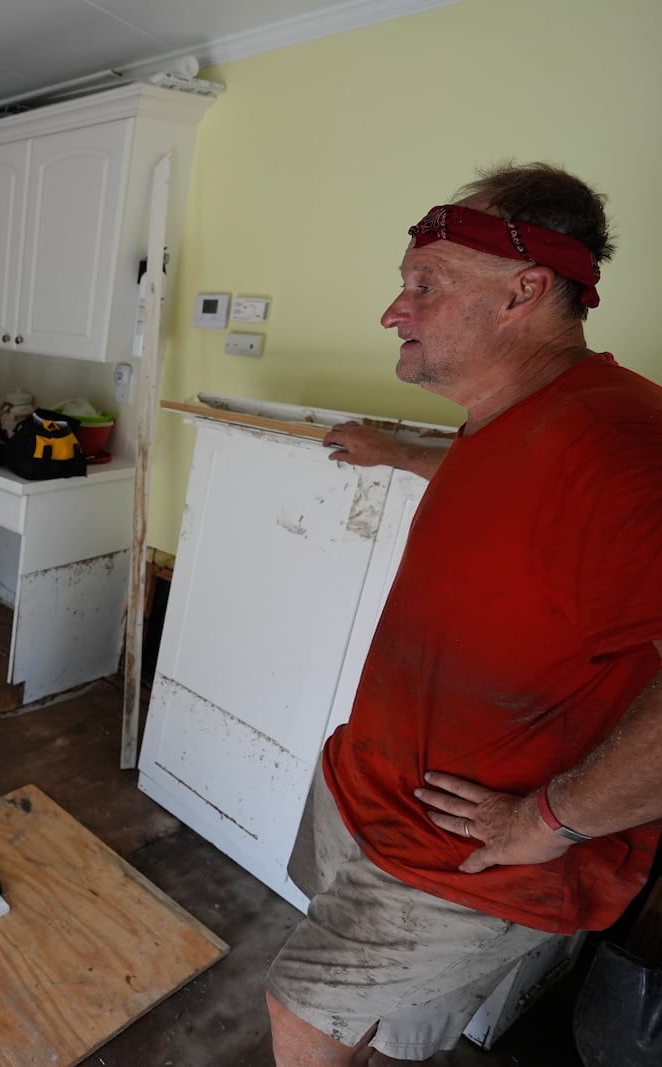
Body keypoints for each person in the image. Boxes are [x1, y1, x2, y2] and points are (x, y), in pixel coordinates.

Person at [266, 162, 662, 1065]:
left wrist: (550, 821)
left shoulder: (621, 442)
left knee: (301, 1015)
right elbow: (521, 496)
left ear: (524, 291)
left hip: (466, 860)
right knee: (377, 1023)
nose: (393, 310)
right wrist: (394, 447)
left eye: (424, 284)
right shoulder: (515, 415)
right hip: (368, 792)